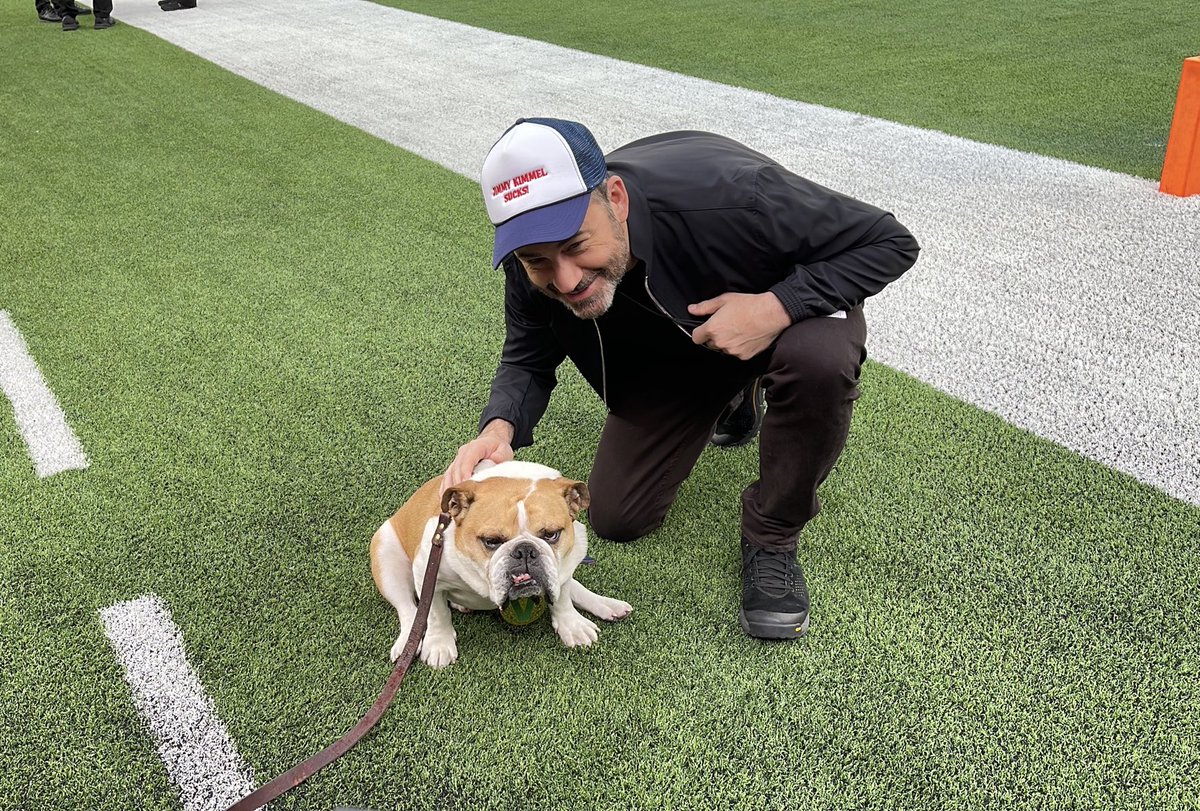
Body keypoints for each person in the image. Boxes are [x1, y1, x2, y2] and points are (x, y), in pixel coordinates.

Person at [442, 118, 919, 639]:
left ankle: (774, 533)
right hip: (680, 354)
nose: (567, 278)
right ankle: (733, 391)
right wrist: (499, 428)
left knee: (818, 361)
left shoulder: (737, 196)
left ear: (616, 200)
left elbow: (889, 242)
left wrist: (777, 306)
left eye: (577, 245)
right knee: (618, 518)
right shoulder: (527, 263)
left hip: (782, 320)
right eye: (538, 261)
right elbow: (528, 355)